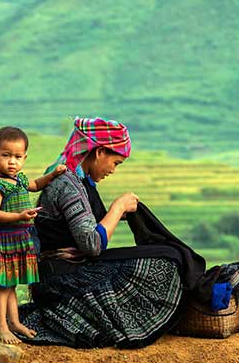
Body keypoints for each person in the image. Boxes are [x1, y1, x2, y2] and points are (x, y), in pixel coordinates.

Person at [15, 116, 187, 348]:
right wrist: (117, 208)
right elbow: (92, 244)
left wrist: (126, 213)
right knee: (164, 263)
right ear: (99, 153)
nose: (113, 170)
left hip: (73, 269)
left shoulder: (80, 180)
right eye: (115, 163)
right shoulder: (67, 184)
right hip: (61, 278)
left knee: (168, 256)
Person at [0, 126, 66, 344]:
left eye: (17, 157)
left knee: (11, 284)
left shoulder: (20, 179)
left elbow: (36, 184)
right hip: (6, 240)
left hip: (21, 239)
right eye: (6, 155)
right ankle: (0, 326)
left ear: (25, 157)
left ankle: (14, 322)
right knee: (3, 285)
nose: (12, 162)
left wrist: (53, 174)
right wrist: (19, 216)